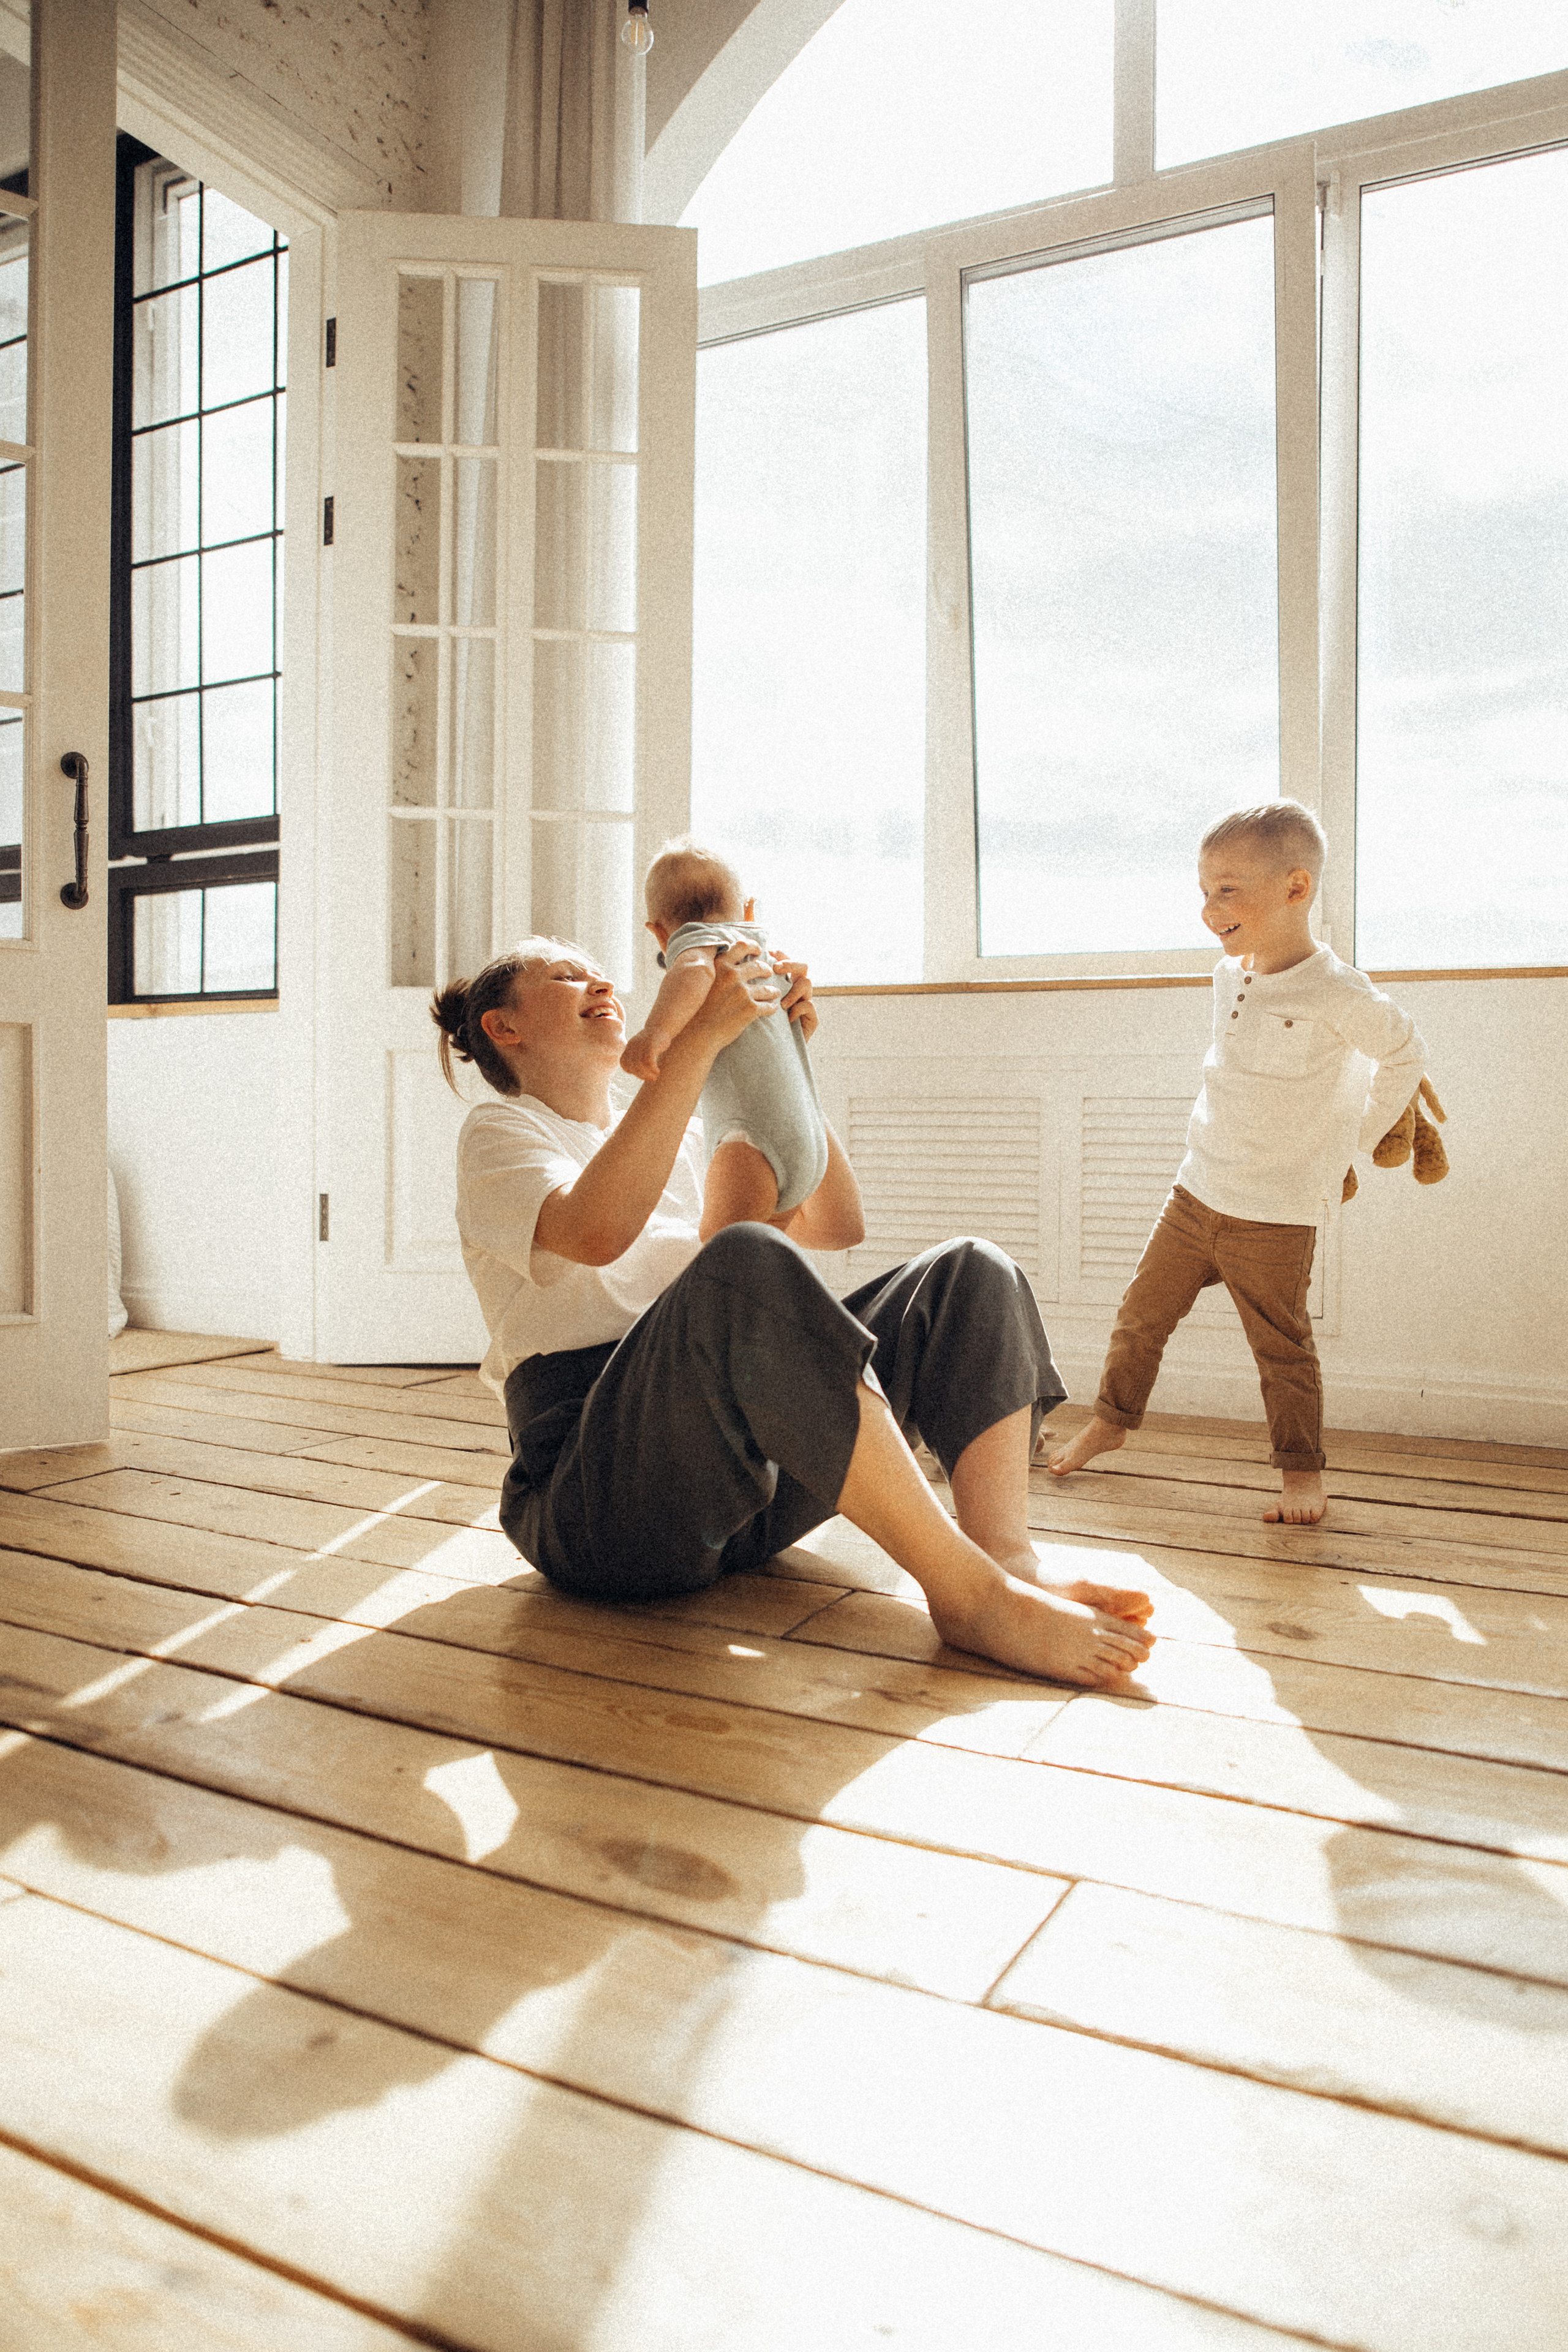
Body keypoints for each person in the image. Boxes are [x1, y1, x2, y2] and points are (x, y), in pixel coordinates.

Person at [433, 935, 1154, 1687]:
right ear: (503, 1028)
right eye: (565, 975)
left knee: (969, 1271)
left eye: (596, 968)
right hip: (597, 1508)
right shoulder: (501, 1133)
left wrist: (785, 1062)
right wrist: (701, 1039)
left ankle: (1004, 1560)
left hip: (743, 1498)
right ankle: (970, 1596)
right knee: (741, 1258)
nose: (600, 979)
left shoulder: (677, 1134)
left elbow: (834, 1221)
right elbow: (594, 1230)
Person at [1047, 801, 1427, 1526]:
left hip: (1275, 1212)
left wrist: (1353, 1138)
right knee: (1138, 1319)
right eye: (1202, 890)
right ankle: (1113, 1420)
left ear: (1295, 889)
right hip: (1197, 1190)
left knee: (1281, 1351)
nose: (1208, 908)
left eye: (1227, 889)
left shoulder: (1335, 989)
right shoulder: (1231, 974)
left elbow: (1404, 1052)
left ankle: (1300, 1474)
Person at [619, 838, 828, 1241]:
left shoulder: (697, 940)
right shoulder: (766, 954)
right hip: (806, 1139)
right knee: (763, 1262)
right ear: (749, 910)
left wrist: (655, 1032)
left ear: (659, 933)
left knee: (723, 1256)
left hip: (749, 1138)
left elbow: (693, 971)